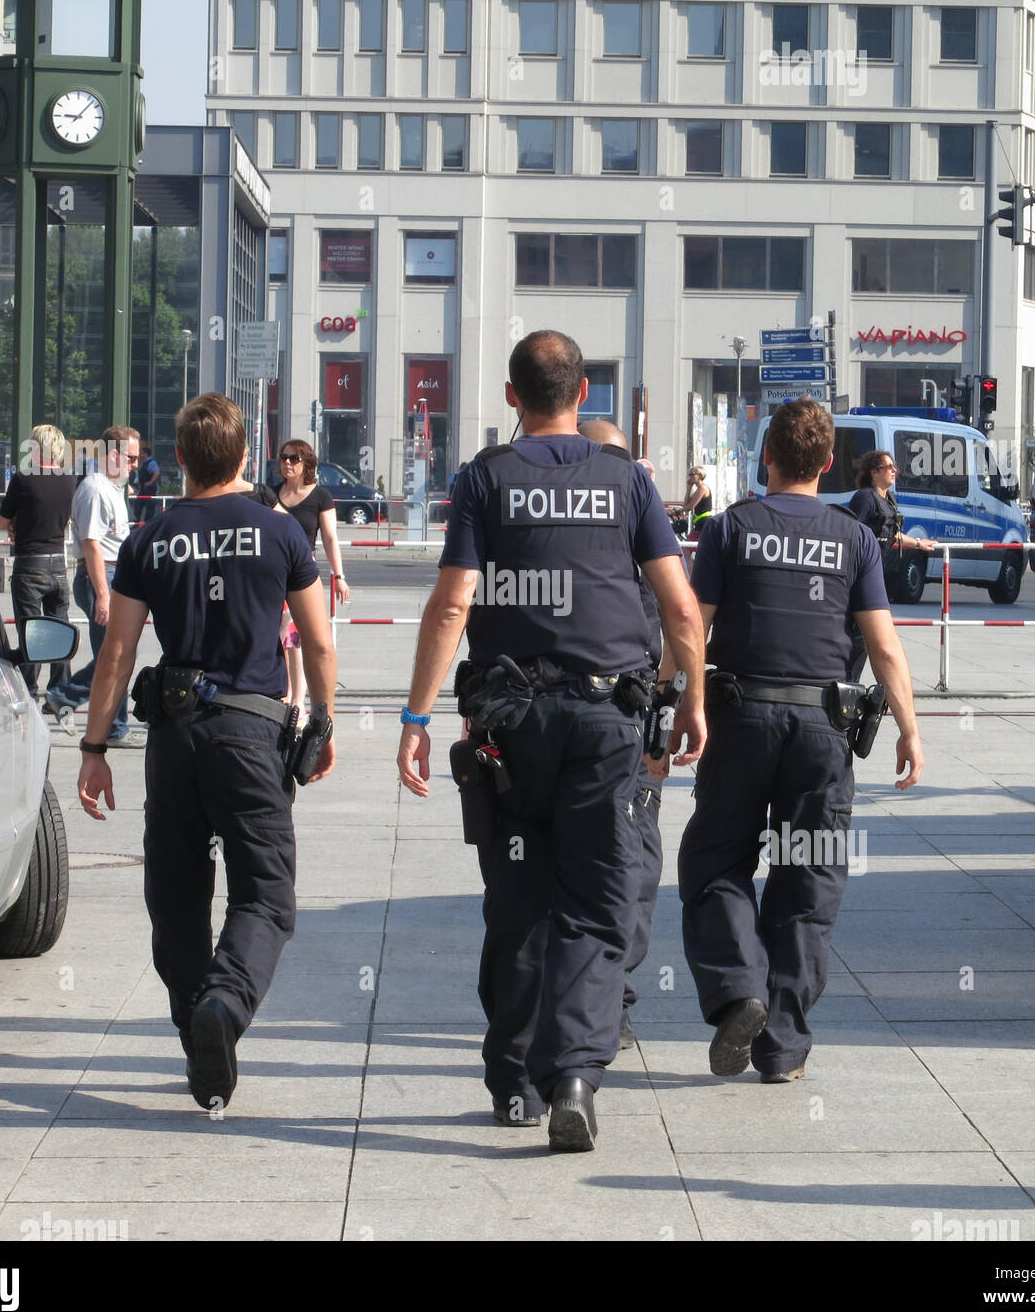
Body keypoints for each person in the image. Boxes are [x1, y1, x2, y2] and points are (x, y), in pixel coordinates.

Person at [396, 330, 707, 1153]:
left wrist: (417, 717)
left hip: (510, 726)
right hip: (607, 724)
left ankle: (513, 1085)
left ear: (511, 397)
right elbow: (680, 609)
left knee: (519, 900)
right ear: (585, 395)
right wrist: (691, 701)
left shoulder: (483, 479)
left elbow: (453, 604)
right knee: (601, 907)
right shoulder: (626, 480)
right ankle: (573, 1073)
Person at [75, 392, 337, 1112]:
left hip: (177, 735)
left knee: (176, 894)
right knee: (265, 894)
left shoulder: (151, 539)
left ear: (181, 458)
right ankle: (225, 1004)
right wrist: (323, 722)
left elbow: (117, 654)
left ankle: (200, 1028)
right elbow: (317, 640)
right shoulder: (280, 533)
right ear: (247, 455)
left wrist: (94, 747)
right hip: (253, 735)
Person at [669, 398, 923, 1086]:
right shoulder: (854, 538)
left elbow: (692, 628)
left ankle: (738, 990)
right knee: (807, 879)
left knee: (716, 861)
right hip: (823, 731)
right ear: (830, 463)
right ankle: (782, 1047)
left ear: (766, 457)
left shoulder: (731, 529)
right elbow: (884, 645)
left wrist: (672, 703)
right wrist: (909, 729)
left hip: (743, 719)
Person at [579, 418, 664, 1053]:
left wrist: (667, 722)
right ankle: (592, 1005)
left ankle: (612, 1000)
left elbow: (676, 627)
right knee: (620, 863)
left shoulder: (643, 530)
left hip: (634, 726)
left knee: (633, 866)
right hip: (600, 728)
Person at [45, 425, 142, 748]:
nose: (135, 465)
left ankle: (73, 701)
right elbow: (92, 546)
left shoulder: (111, 488)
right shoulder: (94, 489)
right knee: (113, 655)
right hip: (101, 576)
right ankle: (88, 711)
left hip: (114, 576)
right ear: (113, 455)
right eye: (130, 458)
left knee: (114, 653)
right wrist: (103, 594)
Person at [0, 423, 76, 699]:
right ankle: (60, 691)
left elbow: (1, 521)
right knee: (60, 628)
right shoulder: (69, 479)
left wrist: (16, 523)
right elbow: (67, 518)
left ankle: (29, 690)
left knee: (31, 631)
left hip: (30, 564)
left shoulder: (24, 478)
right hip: (59, 564)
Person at [274, 439, 349, 704]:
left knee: (296, 637)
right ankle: (284, 694)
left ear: (306, 463)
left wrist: (338, 576)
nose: (287, 463)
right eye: (284, 458)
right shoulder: (272, 494)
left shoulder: (320, 496)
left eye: (294, 459)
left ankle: (298, 698)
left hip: (303, 576)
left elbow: (330, 538)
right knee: (279, 637)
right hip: (274, 574)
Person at [847, 449, 937, 578]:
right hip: (862, 568)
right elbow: (853, 533)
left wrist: (919, 544)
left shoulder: (889, 499)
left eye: (894, 466)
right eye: (889, 467)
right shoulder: (865, 498)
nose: (895, 470)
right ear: (874, 473)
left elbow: (892, 534)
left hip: (878, 566)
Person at [681, 466, 714, 534]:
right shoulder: (698, 489)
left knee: (691, 543)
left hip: (704, 522)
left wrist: (677, 511)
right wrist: (688, 489)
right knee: (690, 542)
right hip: (699, 522)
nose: (690, 477)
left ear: (700, 475)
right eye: (689, 475)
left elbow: (690, 507)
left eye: (692, 474)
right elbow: (686, 505)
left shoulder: (702, 488)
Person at [134, 444, 161, 522]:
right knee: (138, 505)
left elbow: (156, 473)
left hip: (149, 489)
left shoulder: (151, 462)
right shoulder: (144, 463)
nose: (139, 455)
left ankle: (147, 522)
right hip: (143, 488)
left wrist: (150, 482)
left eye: (141, 453)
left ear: (145, 454)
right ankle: (137, 521)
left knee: (149, 507)